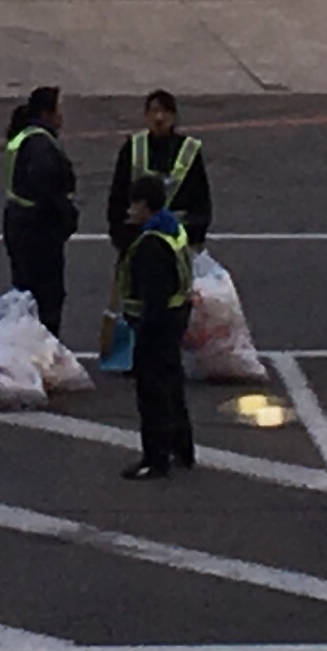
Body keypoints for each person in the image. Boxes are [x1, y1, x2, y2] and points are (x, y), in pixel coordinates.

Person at [101, 91, 210, 374]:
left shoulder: (189, 151)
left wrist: (194, 236)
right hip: (136, 240)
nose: (159, 118)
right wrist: (119, 235)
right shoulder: (133, 148)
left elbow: (201, 199)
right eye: (153, 111)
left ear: (174, 116)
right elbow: (117, 196)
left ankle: (164, 355)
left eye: (165, 112)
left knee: (171, 301)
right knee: (134, 298)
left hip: (174, 241)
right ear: (146, 115)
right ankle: (133, 354)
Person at [116, 205, 197, 479]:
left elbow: (154, 296)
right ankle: (182, 448)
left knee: (153, 394)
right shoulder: (172, 230)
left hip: (155, 328)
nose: (130, 211)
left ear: (145, 206)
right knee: (172, 386)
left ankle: (155, 458)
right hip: (176, 318)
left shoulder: (151, 245)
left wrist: (143, 331)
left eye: (134, 205)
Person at [0, 86, 77, 351]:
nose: (62, 115)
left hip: (20, 224)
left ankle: (26, 346)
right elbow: (47, 188)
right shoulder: (40, 145)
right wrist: (66, 216)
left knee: (26, 289)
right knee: (47, 294)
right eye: (59, 109)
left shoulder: (25, 138)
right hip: (37, 230)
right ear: (47, 113)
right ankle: (41, 350)